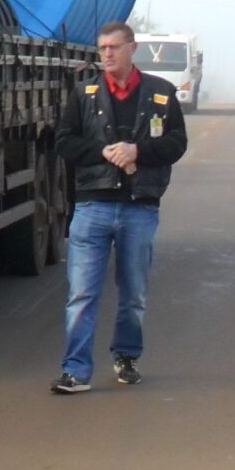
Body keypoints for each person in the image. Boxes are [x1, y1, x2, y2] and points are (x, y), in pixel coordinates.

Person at [51, 20, 188, 395]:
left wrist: (138, 152)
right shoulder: (84, 94)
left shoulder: (161, 93)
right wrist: (105, 152)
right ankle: (76, 371)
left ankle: (126, 355)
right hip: (93, 205)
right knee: (82, 293)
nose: (107, 54)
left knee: (133, 293)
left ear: (133, 48)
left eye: (114, 47)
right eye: (103, 49)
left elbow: (177, 142)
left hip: (139, 209)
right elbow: (64, 141)